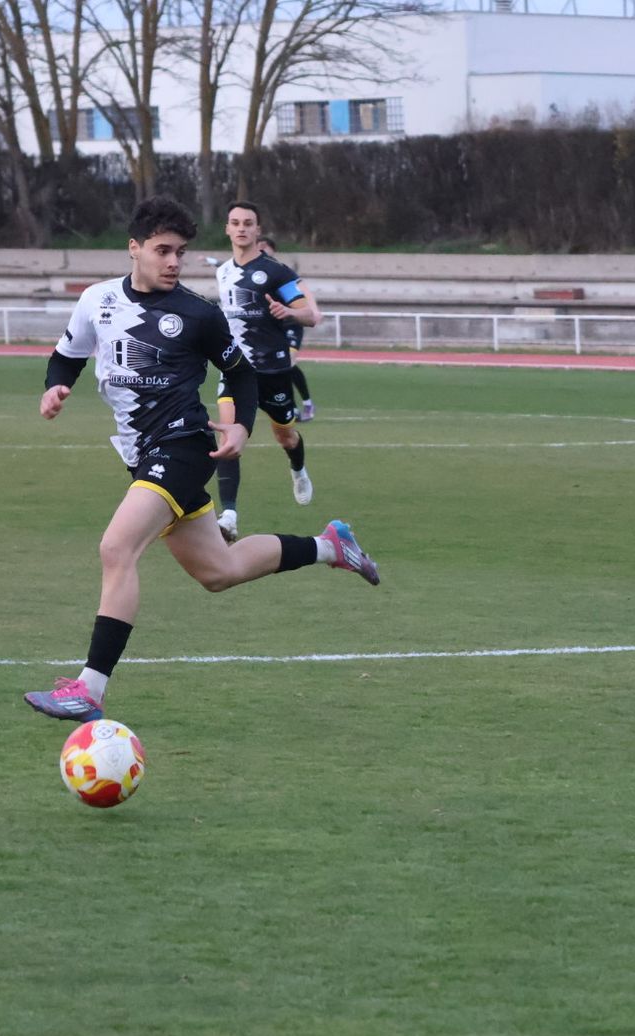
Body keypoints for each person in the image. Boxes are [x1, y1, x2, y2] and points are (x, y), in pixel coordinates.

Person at [23, 196, 380, 724]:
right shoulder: (96, 300)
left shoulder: (198, 313)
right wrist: (56, 387)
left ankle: (89, 689)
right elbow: (68, 355)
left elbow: (241, 373)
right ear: (134, 249)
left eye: (181, 252)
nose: (173, 261)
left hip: (184, 444)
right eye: (162, 250)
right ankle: (331, 547)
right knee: (219, 570)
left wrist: (241, 425)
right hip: (140, 452)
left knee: (116, 548)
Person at [212, 202, 323, 543]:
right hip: (235, 368)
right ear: (228, 229)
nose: (242, 228)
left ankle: (298, 470)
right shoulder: (222, 273)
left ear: (258, 231)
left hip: (272, 369)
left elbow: (312, 314)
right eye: (235, 222)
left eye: (248, 223)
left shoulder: (276, 272)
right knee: (228, 435)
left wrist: (288, 312)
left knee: (285, 436)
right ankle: (228, 515)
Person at [258, 236, 316, 422]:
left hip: (292, 323)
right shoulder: (253, 271)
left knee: (289, 362)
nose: (260, 250)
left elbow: (302, 287)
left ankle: (307, 404)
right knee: (283, 367)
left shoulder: (278, 270)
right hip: (276, 328)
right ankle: (291, 407)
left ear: (271, 248)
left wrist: (314, 310)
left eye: (264, 247)